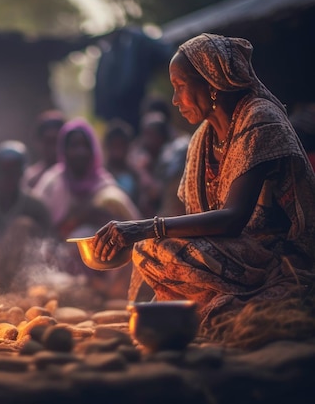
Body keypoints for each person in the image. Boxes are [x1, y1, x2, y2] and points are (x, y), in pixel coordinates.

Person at [93, 34, 315, 347]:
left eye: (180, 85)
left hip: (278, 259)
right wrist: (141, 236)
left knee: (153, 245)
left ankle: (214, 307)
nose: (174, 99)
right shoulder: (203, 138)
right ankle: (192, 309)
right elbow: (197, 224)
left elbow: (233, 219)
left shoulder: (260, 119)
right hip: (236, 258)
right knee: (150, 249)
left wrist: (147, 227)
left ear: (213, 82)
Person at [32, 118, 140, 298]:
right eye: (73, 146)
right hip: (59, 261)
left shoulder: (106, 187)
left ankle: (109, 292)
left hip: (106, 268)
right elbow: (39, 222)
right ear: (64, 150)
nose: (79, 152)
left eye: (85, 146)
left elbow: (133, 226)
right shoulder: (52, 183)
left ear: (93, 150)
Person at [0, 140, 52, 293]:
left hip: (24, 274)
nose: (7, 177)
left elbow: (49, 246)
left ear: (21, 174)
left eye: (13, 172)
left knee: (23, 225)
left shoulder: (35, 205)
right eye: (2, 171)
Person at [23, 110, 66, 189]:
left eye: (56, 141)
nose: (53, 148)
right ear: (38, 143)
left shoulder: (74, 178)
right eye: (48, 142)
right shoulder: (30, 179)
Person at [102, 118, 139, 204]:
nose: (118, 151)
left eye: (121, 145)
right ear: (107, 146)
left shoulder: (135, 175)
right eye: (114, 146)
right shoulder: (101, 174)